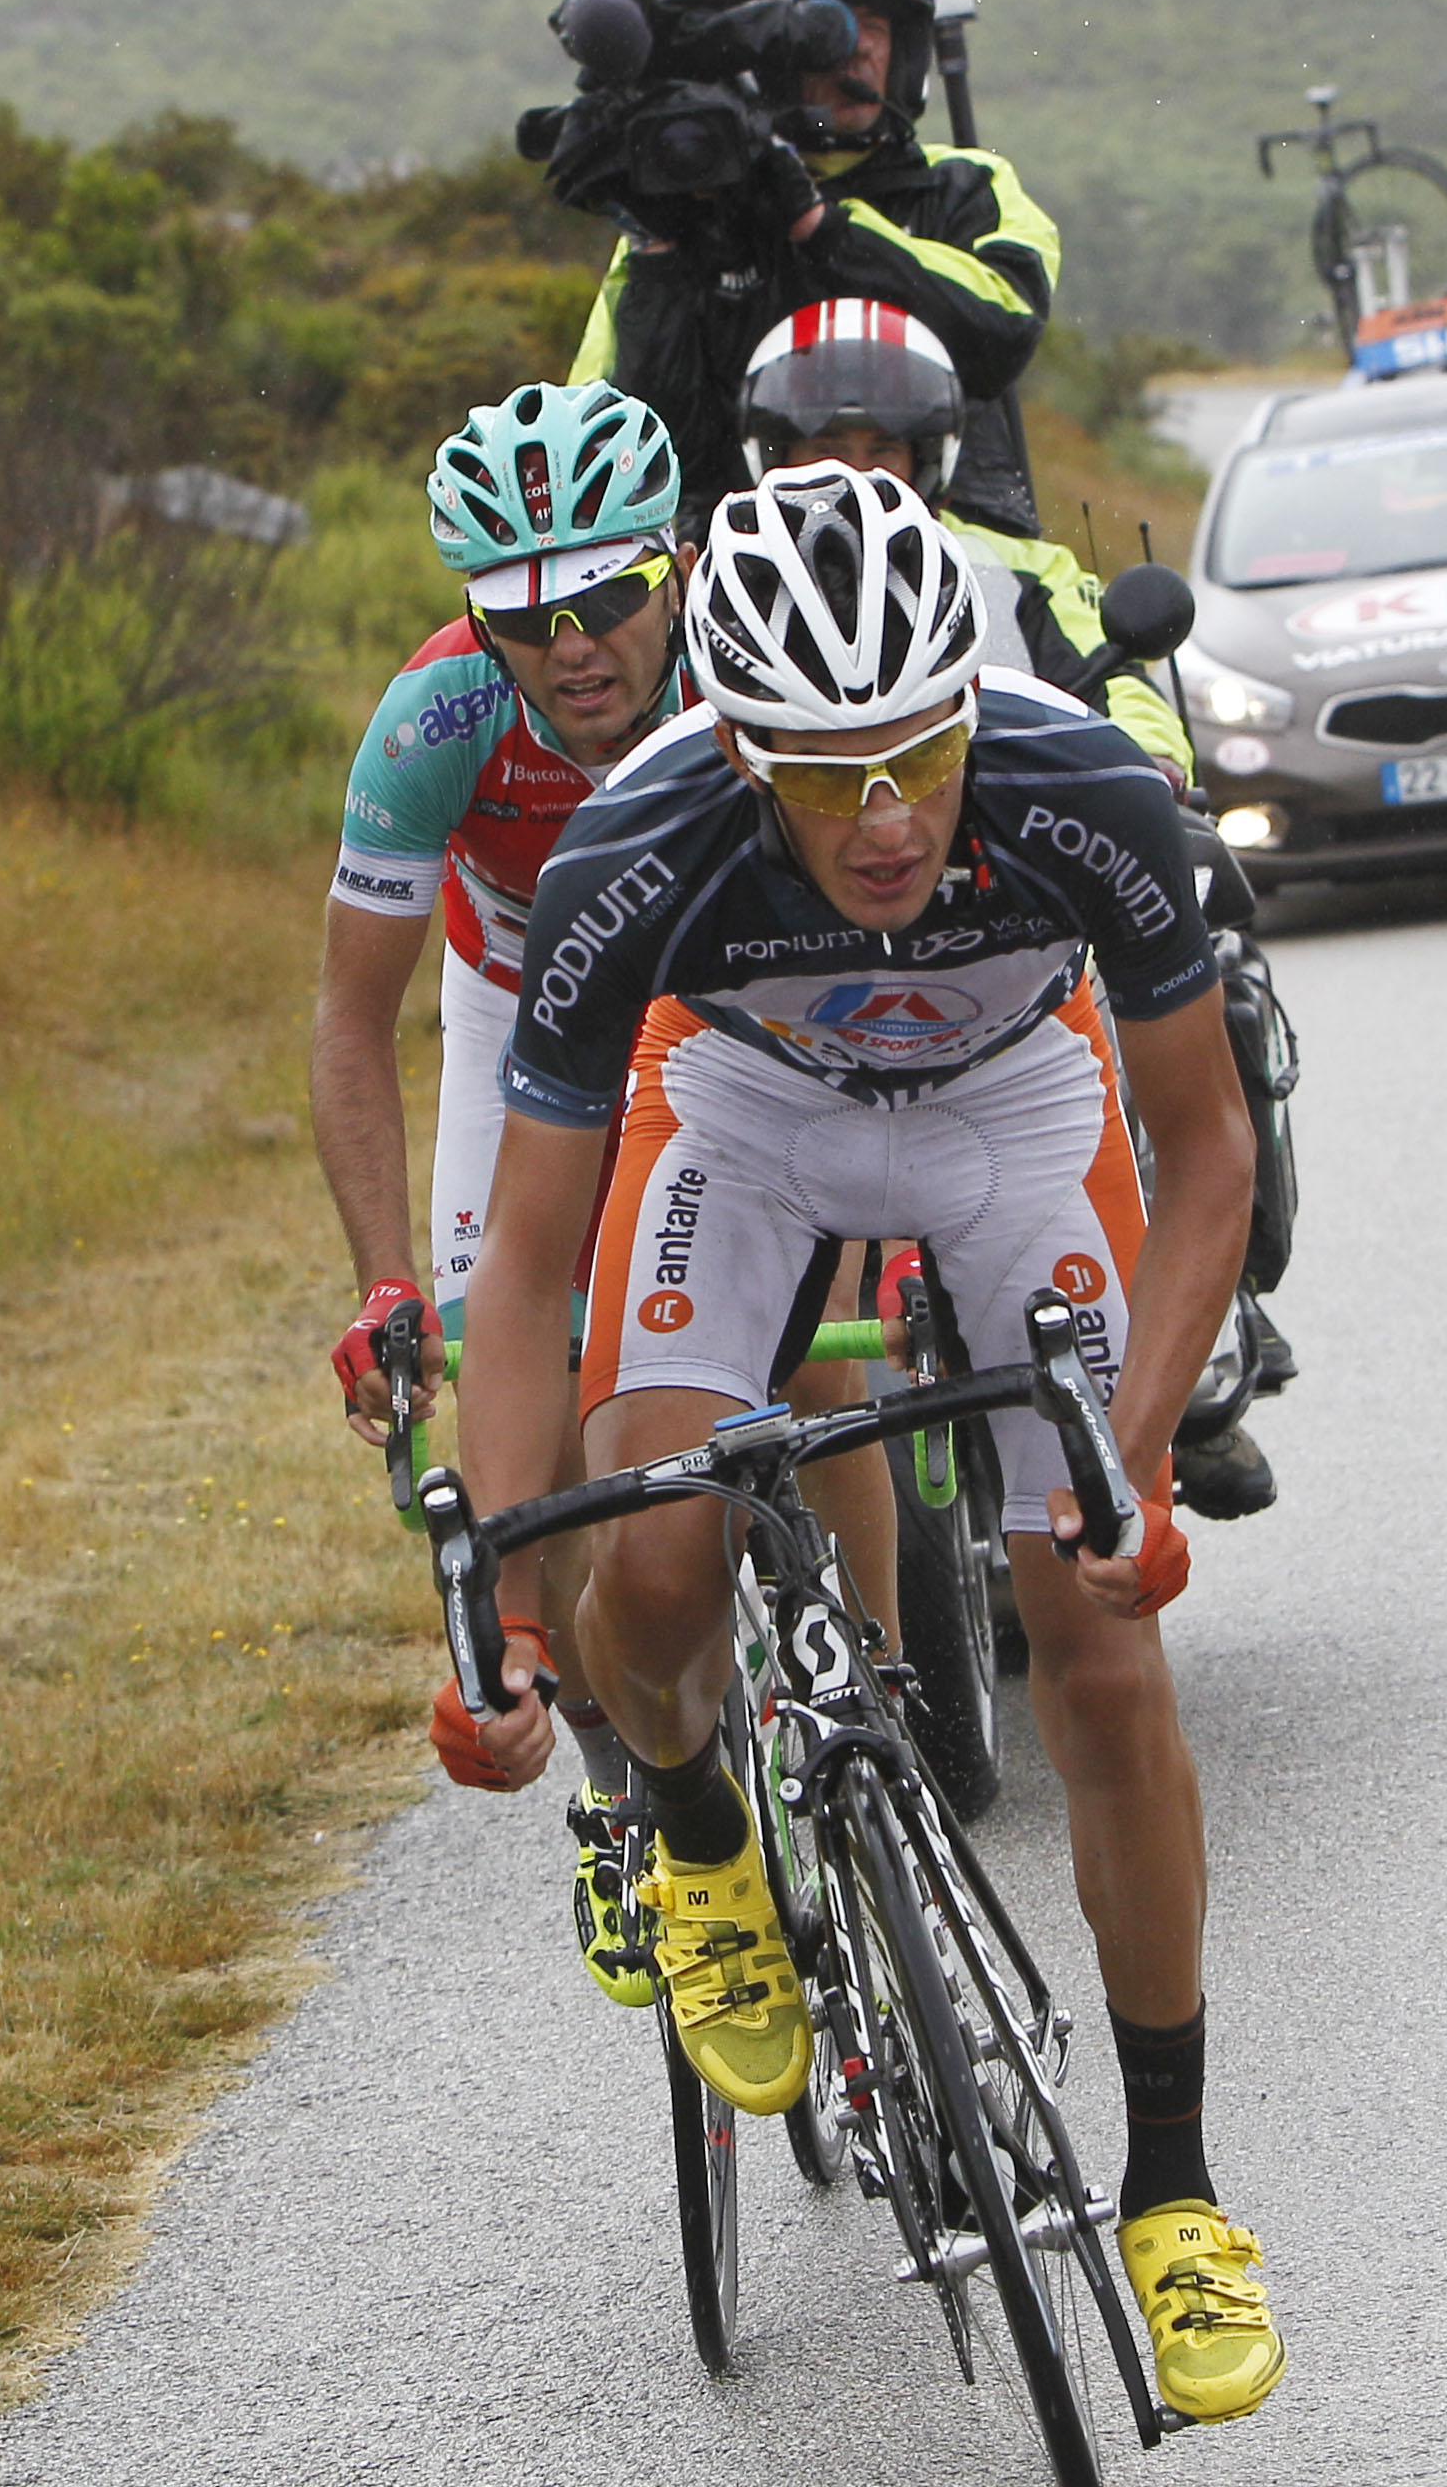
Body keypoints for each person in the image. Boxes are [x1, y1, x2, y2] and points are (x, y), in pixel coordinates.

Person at [448, 461, 1286, 2425]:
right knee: (656, 1548)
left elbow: (1207, 1152)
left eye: (918, 752)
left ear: (969, 704)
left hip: (1015, 1101)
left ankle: (1172, 2190)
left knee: (1101, 1641)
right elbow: (529, 1266)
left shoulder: (1084, 791)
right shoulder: (633, 850)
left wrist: (1127, 1459)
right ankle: (699, 1841)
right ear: (740, 749)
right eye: (829, 778)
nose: (889, 815)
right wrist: (498, 1606)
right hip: (741, 1109)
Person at [308, 379, 895, 2009]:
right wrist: (383, 1283)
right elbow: (351, 1020)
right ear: (476, 622)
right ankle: (618, 1780)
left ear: (676, 568)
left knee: (805, 1338)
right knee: (547, 1404)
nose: (571, 649)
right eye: (521, 619)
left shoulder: (749, 660)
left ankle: (876, 1683)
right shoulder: (435, 723)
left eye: (606, 599)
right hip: (524, 1001)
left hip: (727, 975)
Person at [731, 301, 1294, 1520]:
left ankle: (1202, 1343)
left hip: (1026, 921)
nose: (856, 476)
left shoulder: (1025, 570)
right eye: (822, 451)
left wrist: (1145, 784)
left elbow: (1124, 691)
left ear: (934, 457)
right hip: (813, 953)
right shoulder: (732, 586)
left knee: (1203, 1013)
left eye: (882, 452)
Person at [569, 0, 1061, 536]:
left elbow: (1002, 331)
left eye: (877, 26)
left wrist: (821, 226)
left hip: (959, 550)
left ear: (909, 50)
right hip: (736, 558)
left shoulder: (966, 185)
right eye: (827, 31)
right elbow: (607, 435)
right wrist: (662, 253)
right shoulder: (692, 212)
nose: (859, 48)